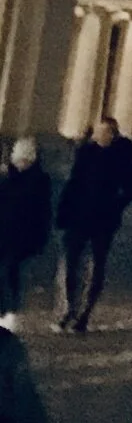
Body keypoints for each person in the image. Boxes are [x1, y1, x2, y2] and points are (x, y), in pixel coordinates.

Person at [55, 117, 132, 333]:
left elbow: (131, 188)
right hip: (79, 215)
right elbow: (74, 182)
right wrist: (64, 211)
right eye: (97, 132)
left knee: (97, 265)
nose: (99, 136)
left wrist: (115, 206)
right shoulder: (85, 153)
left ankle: (85, 312)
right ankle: (70, 308)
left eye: (104, 132)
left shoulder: (122, 158)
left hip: (103, 219)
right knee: (71, 262)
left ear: (112, 135)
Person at [0, 141, 50, 335]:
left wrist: (39, 239)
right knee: (6, 273)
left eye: (24, 160)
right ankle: (6, 309)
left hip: (22, 237)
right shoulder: (7, 178)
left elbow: (42, 213)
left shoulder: (38, 181)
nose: (20, 163)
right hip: (5, 234)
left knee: (10, 272)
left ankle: (10, 311)